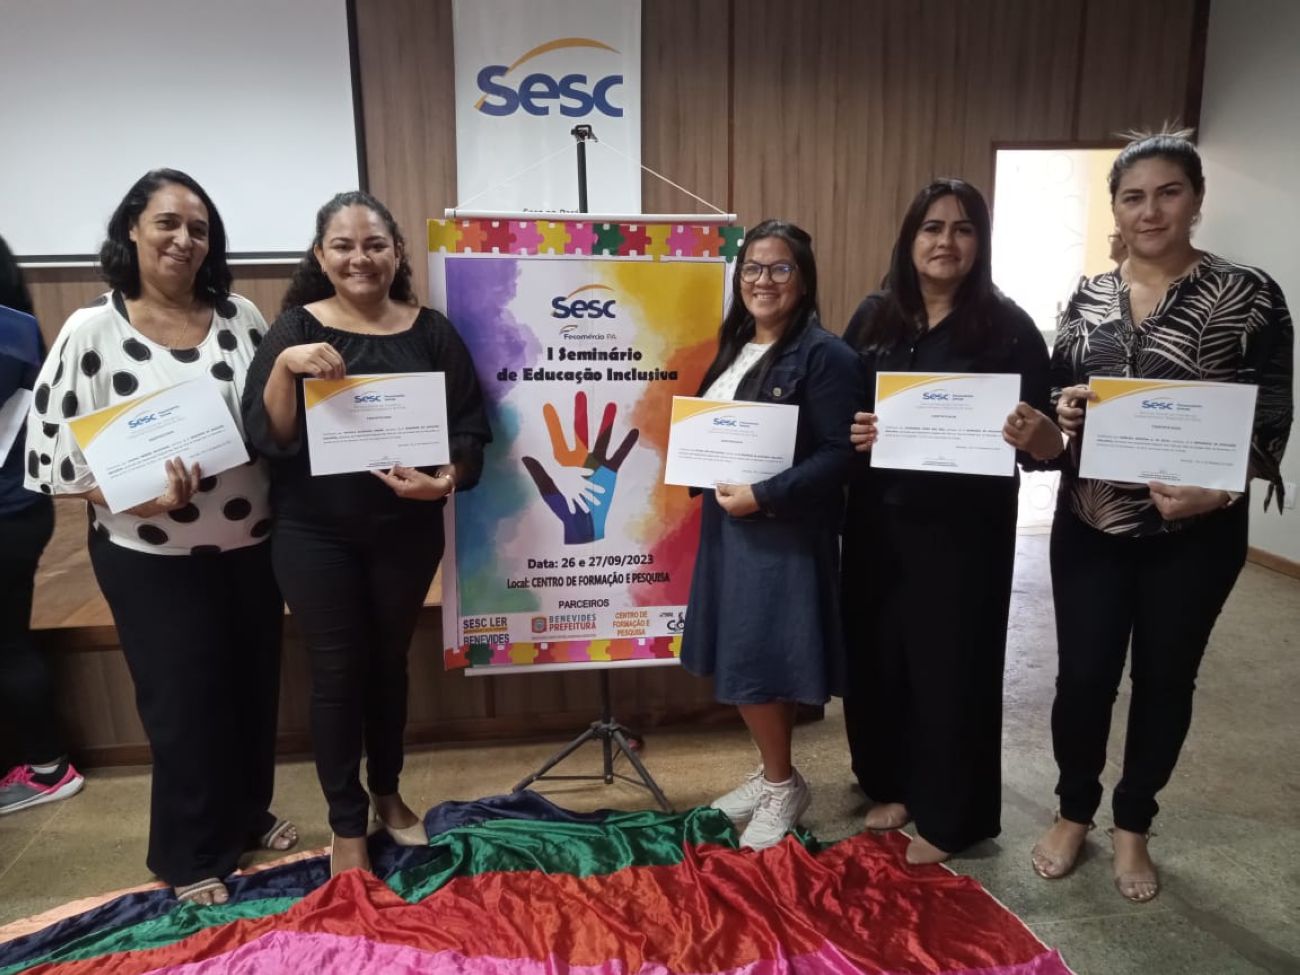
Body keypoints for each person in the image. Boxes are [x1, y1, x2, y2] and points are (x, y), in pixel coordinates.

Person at [1030, 132, 1293, 902]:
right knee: (1083, 677)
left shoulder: (1248, 293)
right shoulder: (1087, 296)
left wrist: (1224, 489)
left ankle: (1134, 822)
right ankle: (1073, 809)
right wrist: (1063, 408)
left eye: (1168, 192)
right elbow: (1057, 392)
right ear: (1116, 207)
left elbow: (1272, 414)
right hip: (1091, 521)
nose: (1151, 210)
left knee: (1165, 678)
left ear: (1196, 198)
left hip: (1197, 533)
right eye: (1134, 196)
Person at [22, 170, 296, 904]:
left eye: (198, 229)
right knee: (182, 701)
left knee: (251, 688)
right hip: (151, 555)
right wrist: (124, 492)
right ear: (133, 230)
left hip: (251, 545)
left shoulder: (240, 315)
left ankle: (247, 811)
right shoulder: (93, 329)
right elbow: (51, 456)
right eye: (168, 224)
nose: (184, 240)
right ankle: (187, 850)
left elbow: (269, 413)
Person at [242, 191, 491, 876]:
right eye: (344, 245)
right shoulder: (295, 329)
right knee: (336, 670)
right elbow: (268, 436)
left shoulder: (431, 331)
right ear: (320, 255)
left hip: (406, 532)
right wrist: (286, 368)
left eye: (375, 244)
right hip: (313, 534)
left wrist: (444, 482)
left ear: (397, 252)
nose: (361, 258)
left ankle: (387, 790)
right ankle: (345, 821)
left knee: (388, 664)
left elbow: (470, 429)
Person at [840, 179, 1061, 864]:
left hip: (965, 531)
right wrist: (854, 428)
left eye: (963, 229)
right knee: (880, 656)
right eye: (932, 228)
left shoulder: (1008, 326)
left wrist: (1036, 434)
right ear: (910, 239)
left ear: (980, 243)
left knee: (952, 665)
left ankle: (951, 814)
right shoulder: (875, 317)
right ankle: (891, 782)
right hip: (877, 521)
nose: (946, 242)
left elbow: (1049, 442)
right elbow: (840, 411)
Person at [681, 219, 862, 850]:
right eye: (753, 268)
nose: (764, 280)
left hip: (778, 532)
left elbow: (842, 453)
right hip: (730, 528)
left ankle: (783, 785)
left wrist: (764, 494)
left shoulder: (827, 356)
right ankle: (772, 771)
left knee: (758, 659)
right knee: (748, 654)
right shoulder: (737, 345)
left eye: (780, 268)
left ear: (804, 280)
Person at [0, 233, 84, 815]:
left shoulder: (8, 334)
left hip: (7, 512)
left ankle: (47, 767)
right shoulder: (19, 327)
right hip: (21, 508)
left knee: (7, 644)